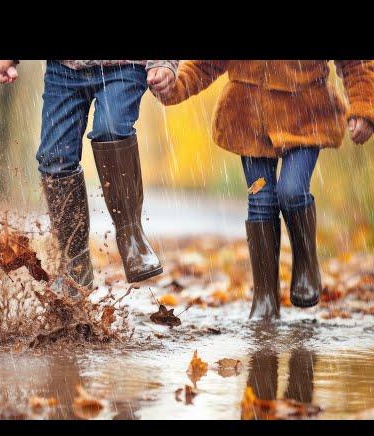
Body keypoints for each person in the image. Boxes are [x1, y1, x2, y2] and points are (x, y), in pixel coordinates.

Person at [154, 60, 374, 320]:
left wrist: (363, 107)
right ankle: (265, 299)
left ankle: (306, 265)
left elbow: (356, 64)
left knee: (292, 191)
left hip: (305, 114)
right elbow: (206, 64)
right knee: (261, 201)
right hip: (248, 117)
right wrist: (175, 86)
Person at [0, 59, 178, 294]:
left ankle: (132, 238)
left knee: (111, 129)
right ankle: (74, 263)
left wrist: (164, 63)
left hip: (124, 67)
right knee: (54, 158)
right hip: (64, 70)